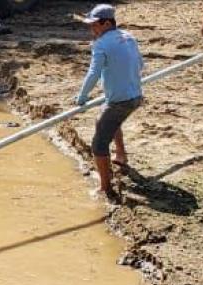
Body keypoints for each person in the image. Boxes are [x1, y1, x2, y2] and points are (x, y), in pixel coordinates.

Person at [75, 4, 144, 204]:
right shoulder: (128, 37)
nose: (92, 29)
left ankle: (105, 188)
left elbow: (93, 74)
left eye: (94, 25)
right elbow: (140, 64)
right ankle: (120, 155)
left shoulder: (101, 44)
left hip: (121, 101)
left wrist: (82, 96)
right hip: (136, 96)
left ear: (107, 23)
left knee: (98, 144)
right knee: (105, 119)